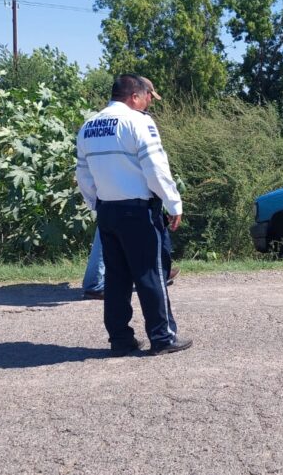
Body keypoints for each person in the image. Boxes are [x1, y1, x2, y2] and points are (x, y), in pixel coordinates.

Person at [75, 74, 192, 356]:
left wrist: (97, 205)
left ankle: (120, 340)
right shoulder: (138, 121)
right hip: (138, 211)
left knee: (116, 280)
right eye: (148, 97)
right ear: (134, 96)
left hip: (108, 211)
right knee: (152, 274)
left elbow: (83, 175)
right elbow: (155, 168)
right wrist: (173, 202)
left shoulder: (88, 126)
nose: (149, 103)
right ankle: (162, 337)